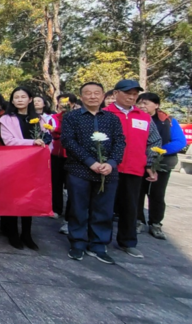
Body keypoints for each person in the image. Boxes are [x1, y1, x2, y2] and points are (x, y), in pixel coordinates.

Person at [61, 82, 126, 264]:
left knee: (104, 210)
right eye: (88, 93)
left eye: (96, 93)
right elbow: (68, 141)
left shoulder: (112, 119)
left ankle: (98, 245)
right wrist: (91, 162)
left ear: (103, 96)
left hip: (107, 172)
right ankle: (78, 243)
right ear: (81, 97)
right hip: (79, 170)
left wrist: (111, 163)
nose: (92, 96)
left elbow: (120, 142)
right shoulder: (71, 117)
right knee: (78, 208)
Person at [104, 80, 162, 258]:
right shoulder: (104, 113)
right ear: (116, 93)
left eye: (135, 94)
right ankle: (100, 241)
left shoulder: (144, 117)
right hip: (108, 168)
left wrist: (151, 164)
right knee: (104, 206)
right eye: (127, 93)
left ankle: (128, 242)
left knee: (131, 207)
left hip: (134, 169)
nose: (131, 97)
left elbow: (154, 142)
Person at [0, 87, 52, 250]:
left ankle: (27, 234)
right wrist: (32, 142)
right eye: (16, 97)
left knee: (30, 198)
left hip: (33, 164)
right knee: (13, 198)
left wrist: (44, 143)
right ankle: (12, 233)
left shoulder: (40, 119)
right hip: (13, 163)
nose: (20, 100)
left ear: (30, 99)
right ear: (12, 101)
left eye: (23, 97)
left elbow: (46, 139)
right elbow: (9, 141)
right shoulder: (6, 119)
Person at [136, 92, 186, 240]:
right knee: (137, 192)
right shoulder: (135, 118)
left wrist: (158, 151)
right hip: (139, 160)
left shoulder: (168, 121)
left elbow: (180, 142)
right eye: (140, 103)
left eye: (146, 103)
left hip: (161, 161)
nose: (142, 106)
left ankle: (156, 223)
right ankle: (138, 220)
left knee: (157, 193)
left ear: (156, 105)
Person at [52, 93, 78, 232]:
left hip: (71, 155)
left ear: (73, 104)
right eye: (61, 102)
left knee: (72, 185)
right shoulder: (54, 117)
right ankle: (56, 208)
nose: (63, 105)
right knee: (56, 182)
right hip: (56, 154)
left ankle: (70, 215)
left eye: (67, 103)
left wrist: (57, 131)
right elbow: (50, 132)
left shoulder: (77, 116)